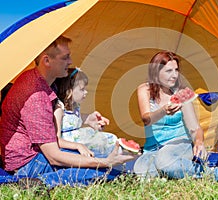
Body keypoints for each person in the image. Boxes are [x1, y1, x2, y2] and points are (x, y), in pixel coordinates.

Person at [0, 36, 136, 188]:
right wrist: (105, 162)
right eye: (65, 57)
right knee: (101, 170)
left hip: (35, 155)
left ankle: (50, 178)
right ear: (47, 61)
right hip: (26, 164)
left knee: (90, 160)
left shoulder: (38, 80)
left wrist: (87, 119)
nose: (70, 62)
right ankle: (42, 182)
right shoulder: (36, 96)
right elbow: (54, 157)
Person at [133, 51, 218, 180]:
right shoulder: (144, 89)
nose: (174, 75)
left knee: (164, 160)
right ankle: (176, 172)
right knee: (142, 171)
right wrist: (164, 111)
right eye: (169, 71)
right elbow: (146, 119)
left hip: (180, 145)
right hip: (153, 149)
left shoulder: (182, 92)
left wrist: (199, 141)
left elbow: (194, 128)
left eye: (176, 70)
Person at [53, 67, 121, 159]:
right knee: (106, 144)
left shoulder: (75, 106)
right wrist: (77, 146)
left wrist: (89, 119)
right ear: (69, 90)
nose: (86, 92)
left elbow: (73, 120)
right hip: (70, 147)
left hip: (80, 140)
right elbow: (56, 140)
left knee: (112, 138)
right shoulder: (59, 109)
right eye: (82, 89)